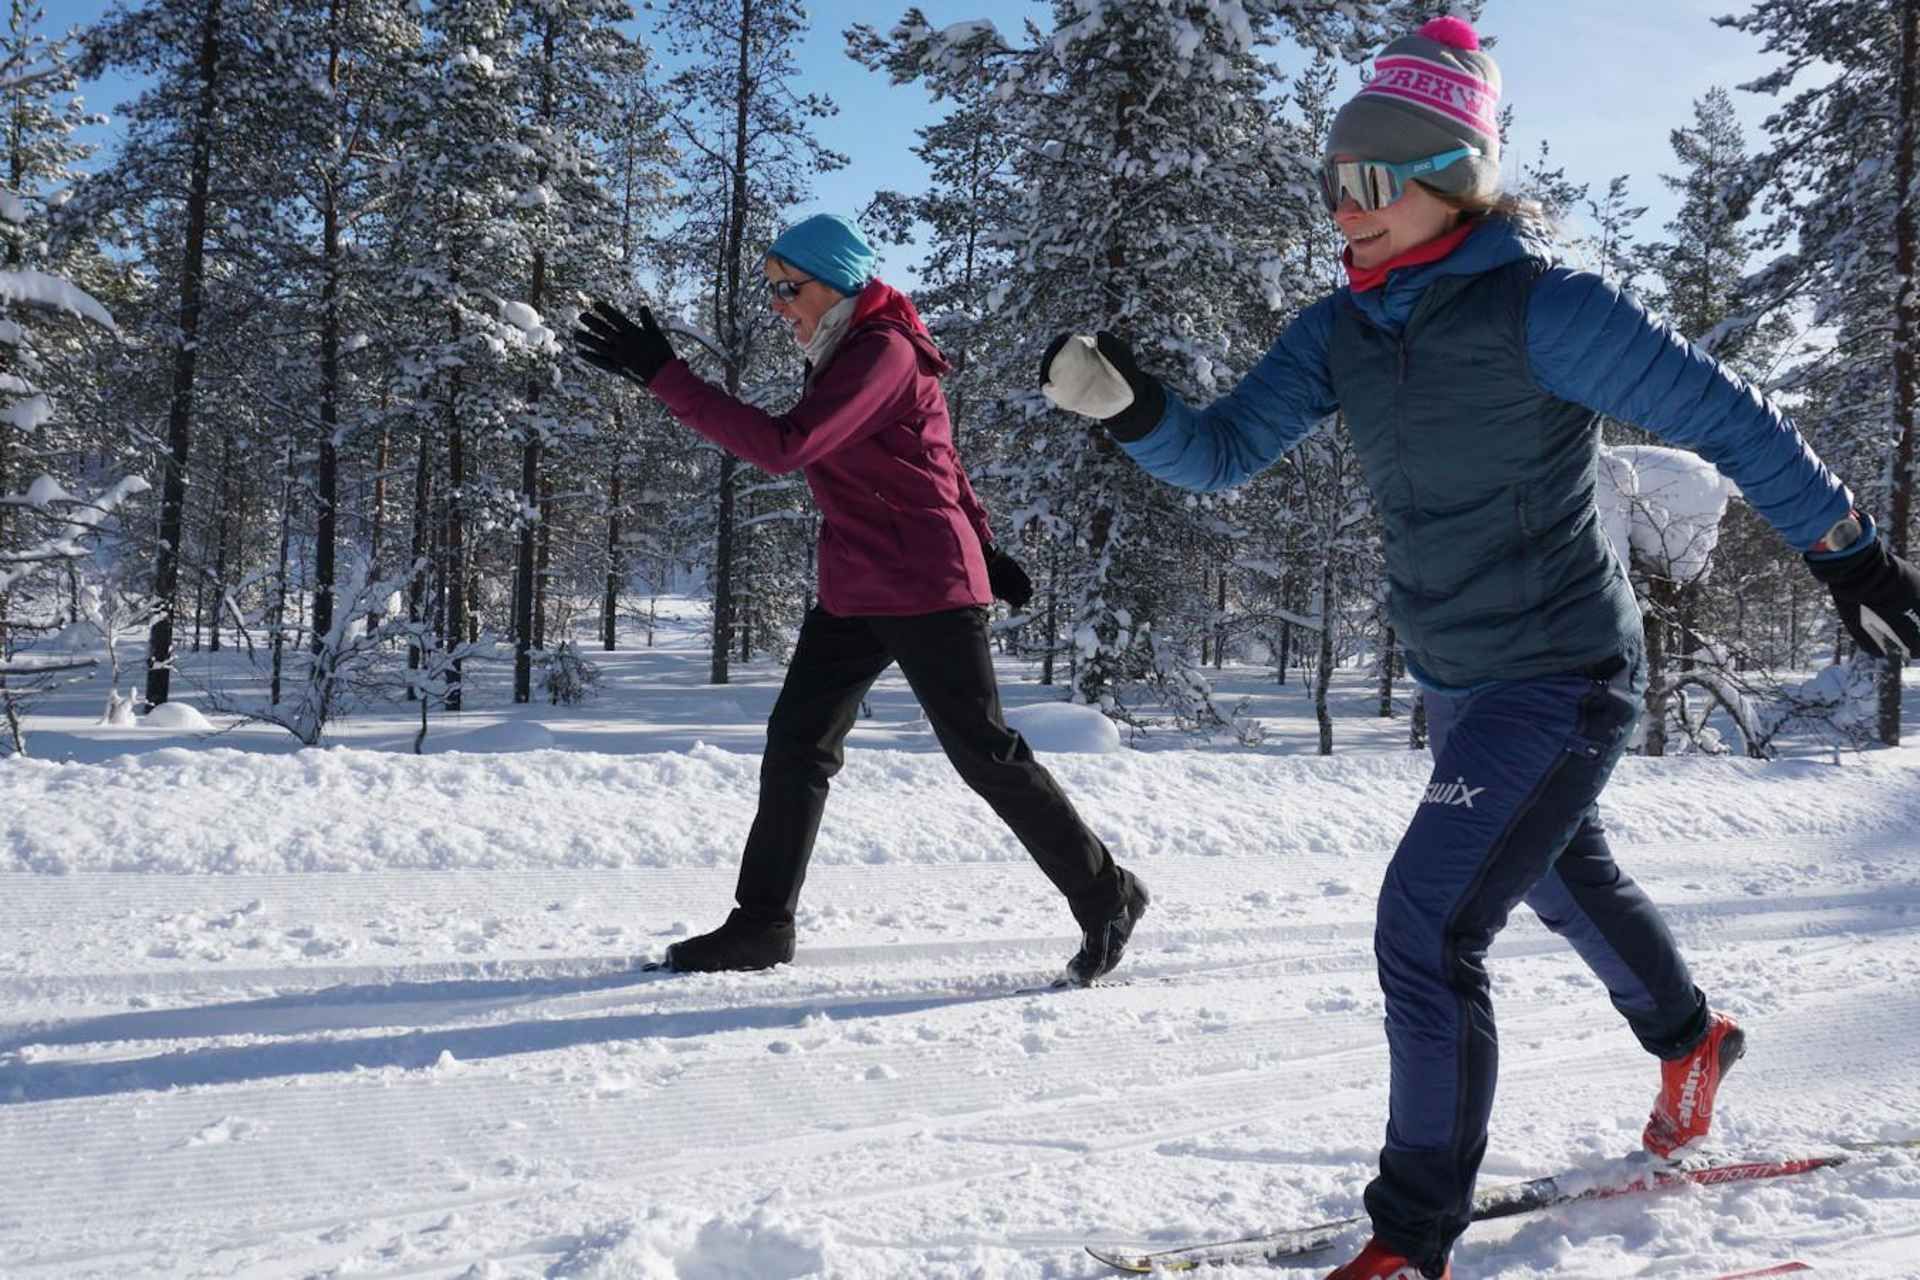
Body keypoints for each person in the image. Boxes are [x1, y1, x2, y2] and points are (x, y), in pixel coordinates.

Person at [1038, 17, 1920, 1279]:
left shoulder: (1549, 310)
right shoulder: (1336, 333)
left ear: (1454, 179)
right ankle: (1691, 1039)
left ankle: (1411, 1237)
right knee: (1563, 876)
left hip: (1563, 672)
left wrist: (1850, 553)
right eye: (1333, 184)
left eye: (1373, 183)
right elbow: (1221, 454)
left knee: (1426, 925)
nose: (1345, 209)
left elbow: (1729, 413)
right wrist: (1135, 412)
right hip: (1462, 680)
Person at [573, 212, 1149, 985]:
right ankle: (761, 926)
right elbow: (935, 456)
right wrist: (987, 544)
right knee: (797, 745)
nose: (777, 303)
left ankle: (1106, 893)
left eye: (789, 286)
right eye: (770, 288)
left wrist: (664, 375)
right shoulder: (844, 347)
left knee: (985, 754)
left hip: (921, 584)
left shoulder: (880, 351)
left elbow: (785, 448)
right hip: (856, 583)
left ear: (836, 281)